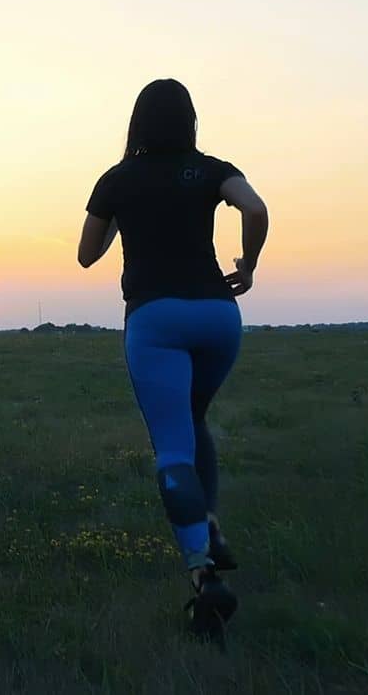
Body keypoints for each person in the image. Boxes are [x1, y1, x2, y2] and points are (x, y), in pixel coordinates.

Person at [78, 79, 269, 639]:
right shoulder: (211, 169)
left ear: (136, 123)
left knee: (171, 449)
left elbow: (88, 255)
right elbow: (255, 208)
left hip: (155, 319)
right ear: (190, 120)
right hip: (218, 315)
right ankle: (210, 522)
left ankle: (202, 576)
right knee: (195, 418)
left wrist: (122, 213)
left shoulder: (116, 179)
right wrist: (249, 263)